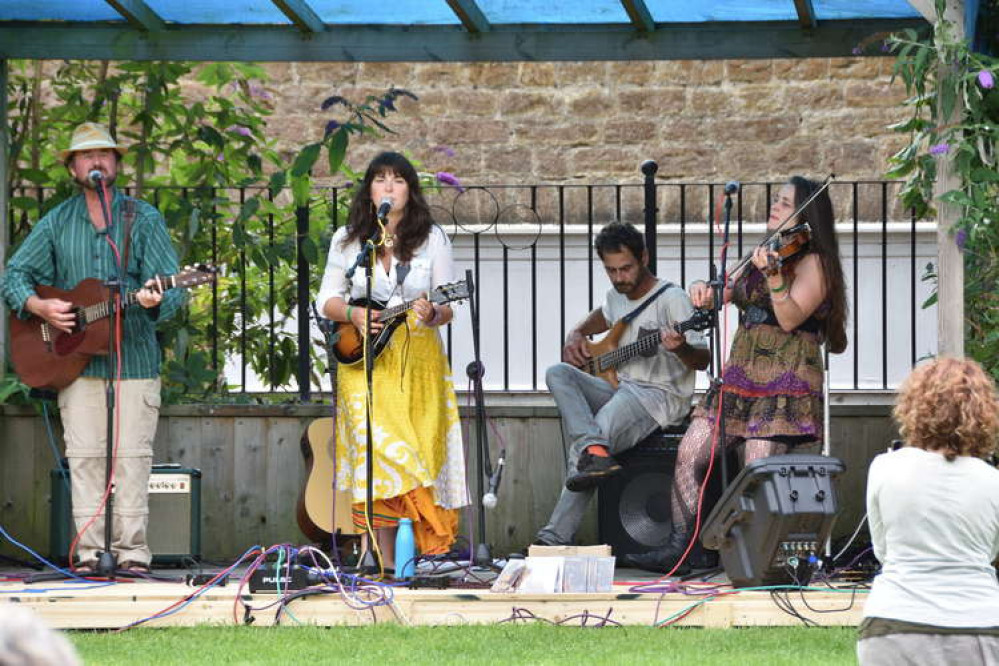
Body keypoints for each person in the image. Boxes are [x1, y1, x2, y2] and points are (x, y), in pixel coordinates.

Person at [625, 176, 848, 573]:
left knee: (757, 465)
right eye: (776, 201)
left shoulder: (815, 261)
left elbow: (790, 317)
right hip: (740, 378)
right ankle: (683, 549)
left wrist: (776, 276)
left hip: (785, 380)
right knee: (690, 452)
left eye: (784, 203)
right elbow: (722, 290)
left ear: (805, 214)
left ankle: (755, 556)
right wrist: (702, 289)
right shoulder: (763, 253)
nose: (775, 207)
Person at [2, 122, 183, 574]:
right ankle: (88, 554)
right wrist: (40, 306)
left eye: (104, 154)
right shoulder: (57, 222)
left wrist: (154, 299)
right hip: (77, 367)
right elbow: (12, 276)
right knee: (84, 460)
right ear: (73, 168)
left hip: (135, 359)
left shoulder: (142, 218)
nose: (96, 162)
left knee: (132, 462)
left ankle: (131, 555)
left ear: (117, 164)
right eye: (86, 156)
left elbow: (175, 291)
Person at [317, 151, 467, 569]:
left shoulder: (432, 238)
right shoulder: (348, 241)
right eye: (380, 179)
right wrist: (354, 314)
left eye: (398, 180)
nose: (388, 186)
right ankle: (372, 554)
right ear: (369, 191)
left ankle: (416, 556)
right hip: (362, 361)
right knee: (373, 455)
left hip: (416, 362)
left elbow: (448, 304)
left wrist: (433, 312)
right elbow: (326, 299)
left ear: (410, 191)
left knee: (411, 455)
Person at [531, 221, 710, 548]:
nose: (619, 278)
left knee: (590, 442)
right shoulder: (616, 297)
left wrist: (680, 347)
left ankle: (552, 540)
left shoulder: (674, 299)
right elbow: (601, 315)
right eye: (611, 270)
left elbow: (703, 359)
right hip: (620, 388)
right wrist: (576, 333)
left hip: (657, 398)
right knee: (558, 372)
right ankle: (592, 447)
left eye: (625, 268)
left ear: (644, 257)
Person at [857, 357, 999, 665]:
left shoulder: (885, 468)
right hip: (979, 623)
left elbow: (883, 550)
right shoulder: (993, 480)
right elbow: (989, 553)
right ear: (983, 413)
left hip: (893, 620)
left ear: (914, 407)